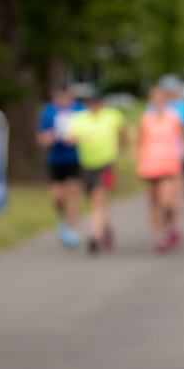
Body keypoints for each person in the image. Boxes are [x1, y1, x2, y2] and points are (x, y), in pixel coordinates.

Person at [66, 89, 127, 253]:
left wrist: (120, 147)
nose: (93, 106)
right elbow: (69, 137)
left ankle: (95, 235)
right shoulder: (79, 118)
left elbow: (123, 131)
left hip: (106, 164)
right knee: (96, 200)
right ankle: (106, 228)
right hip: (86, 164)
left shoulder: (112, 116)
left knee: (98, 198)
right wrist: (77, 139)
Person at [135, 85, 184, 252]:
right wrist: (138, 159)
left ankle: (171, 224)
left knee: (167, 200)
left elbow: (181, 138)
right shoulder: (146, 118)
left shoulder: (173, 117)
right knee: (154, 201)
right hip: (150, 163)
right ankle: (159, 236)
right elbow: (139, 141)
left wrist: (182, 155)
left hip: (169, 163)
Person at [37, 84, 85, 248]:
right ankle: (65, 220)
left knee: (72, 193)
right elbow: (41, 135)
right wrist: (47, 138)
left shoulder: (79, 109)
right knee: (56, 196)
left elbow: (88, 132)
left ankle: (73, 228)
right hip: (56, 158)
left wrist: (77, 138)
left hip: (75, 157)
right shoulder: (49, 111)